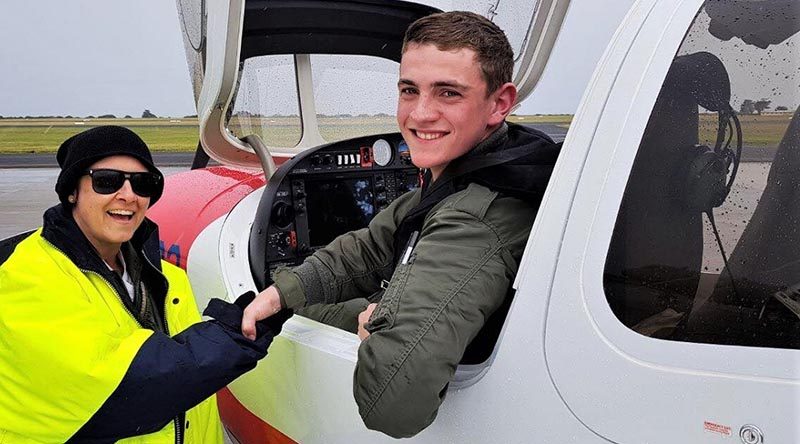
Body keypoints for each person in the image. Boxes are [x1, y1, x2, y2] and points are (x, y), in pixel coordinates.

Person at [242, 11, 560, 438]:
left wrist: (381, 317)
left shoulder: (474, 218)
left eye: (448, 93)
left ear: (500, 103)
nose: (420, 114)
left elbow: (392, 404)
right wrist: (283, 292)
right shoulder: (491, 165)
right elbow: (376, 245)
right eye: (409, 90)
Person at [0, 125, 287, 443]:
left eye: (143, 183)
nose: (128, 195)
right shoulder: (23, 274)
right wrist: (240, 330)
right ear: (71, 191)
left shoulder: (167, 278)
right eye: (106, 181)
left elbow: (192, 404)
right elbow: (131, 387)